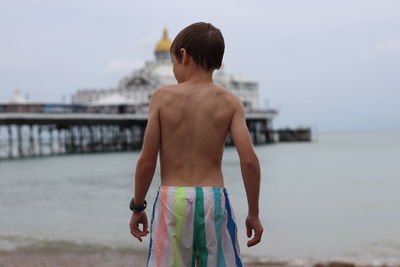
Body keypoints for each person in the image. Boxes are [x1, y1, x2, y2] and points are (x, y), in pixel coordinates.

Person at [129, 22, 263, 267]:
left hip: (173, 198)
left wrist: (137, 206)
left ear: (183, 55)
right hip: (214, 198)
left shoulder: (162, 97)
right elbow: (249, 161)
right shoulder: (230, 101)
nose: (173, 70)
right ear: (217, 62)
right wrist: (253, 213)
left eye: (172, 62)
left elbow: (146, 162)